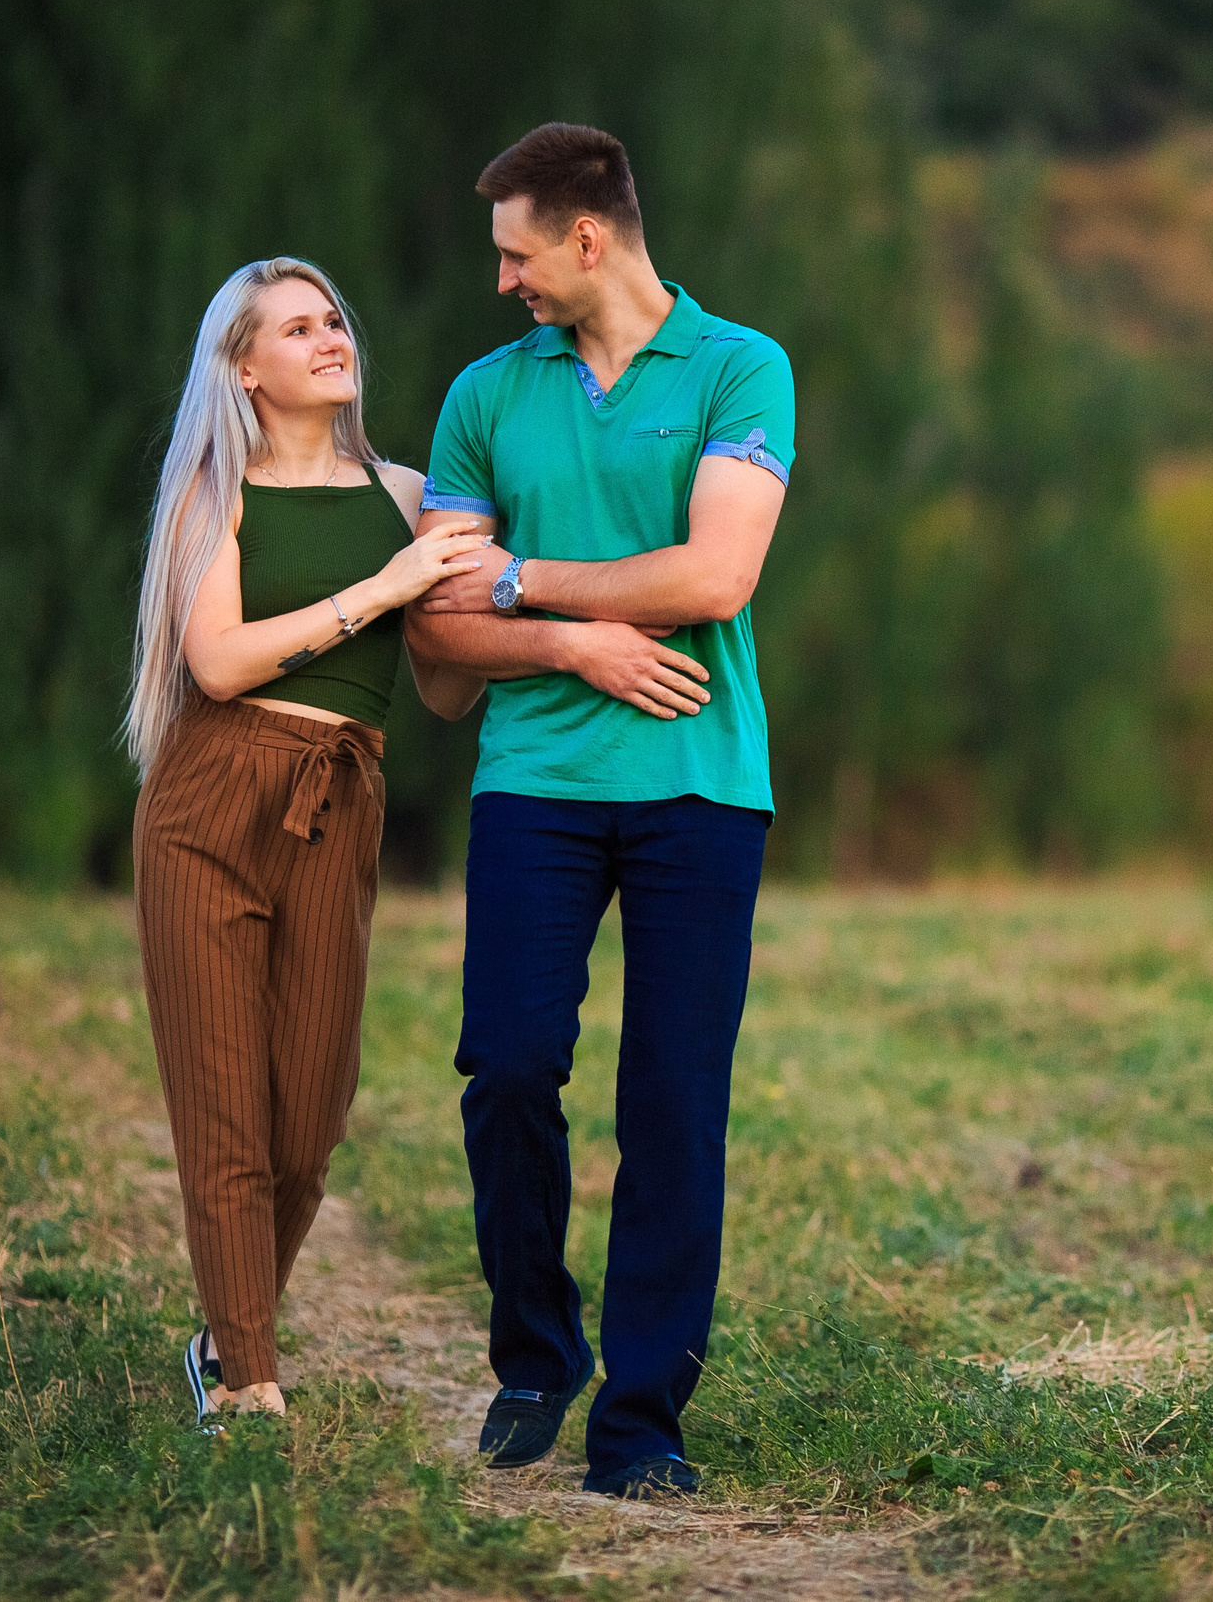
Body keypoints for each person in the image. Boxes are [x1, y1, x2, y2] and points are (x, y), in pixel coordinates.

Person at [404, 123, 794, 1499]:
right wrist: (569, 642)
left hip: (700, 782)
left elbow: (715, 577)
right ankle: (534, 1352)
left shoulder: (744, 368)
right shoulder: (481, 397)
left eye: (515, 253)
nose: (502, 282)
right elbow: (439, 635)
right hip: (536, 783)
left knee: (674, 1104)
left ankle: (641, 1425)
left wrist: (524, 584)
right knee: (507, 1063)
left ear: (586, 235)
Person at [125, 257, 489, 1422]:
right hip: (210, 802)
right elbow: (219, 662)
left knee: (309, 1123)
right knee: (224, 1107)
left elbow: (442, 689)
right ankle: (248, 1383)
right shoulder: (211, 494)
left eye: (335, 317)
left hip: (341, 801)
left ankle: (225, 1339)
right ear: (244, 368)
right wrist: (383, 590)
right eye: (296, 327)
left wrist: (487, 616)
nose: (331, 337)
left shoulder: (408, 493)